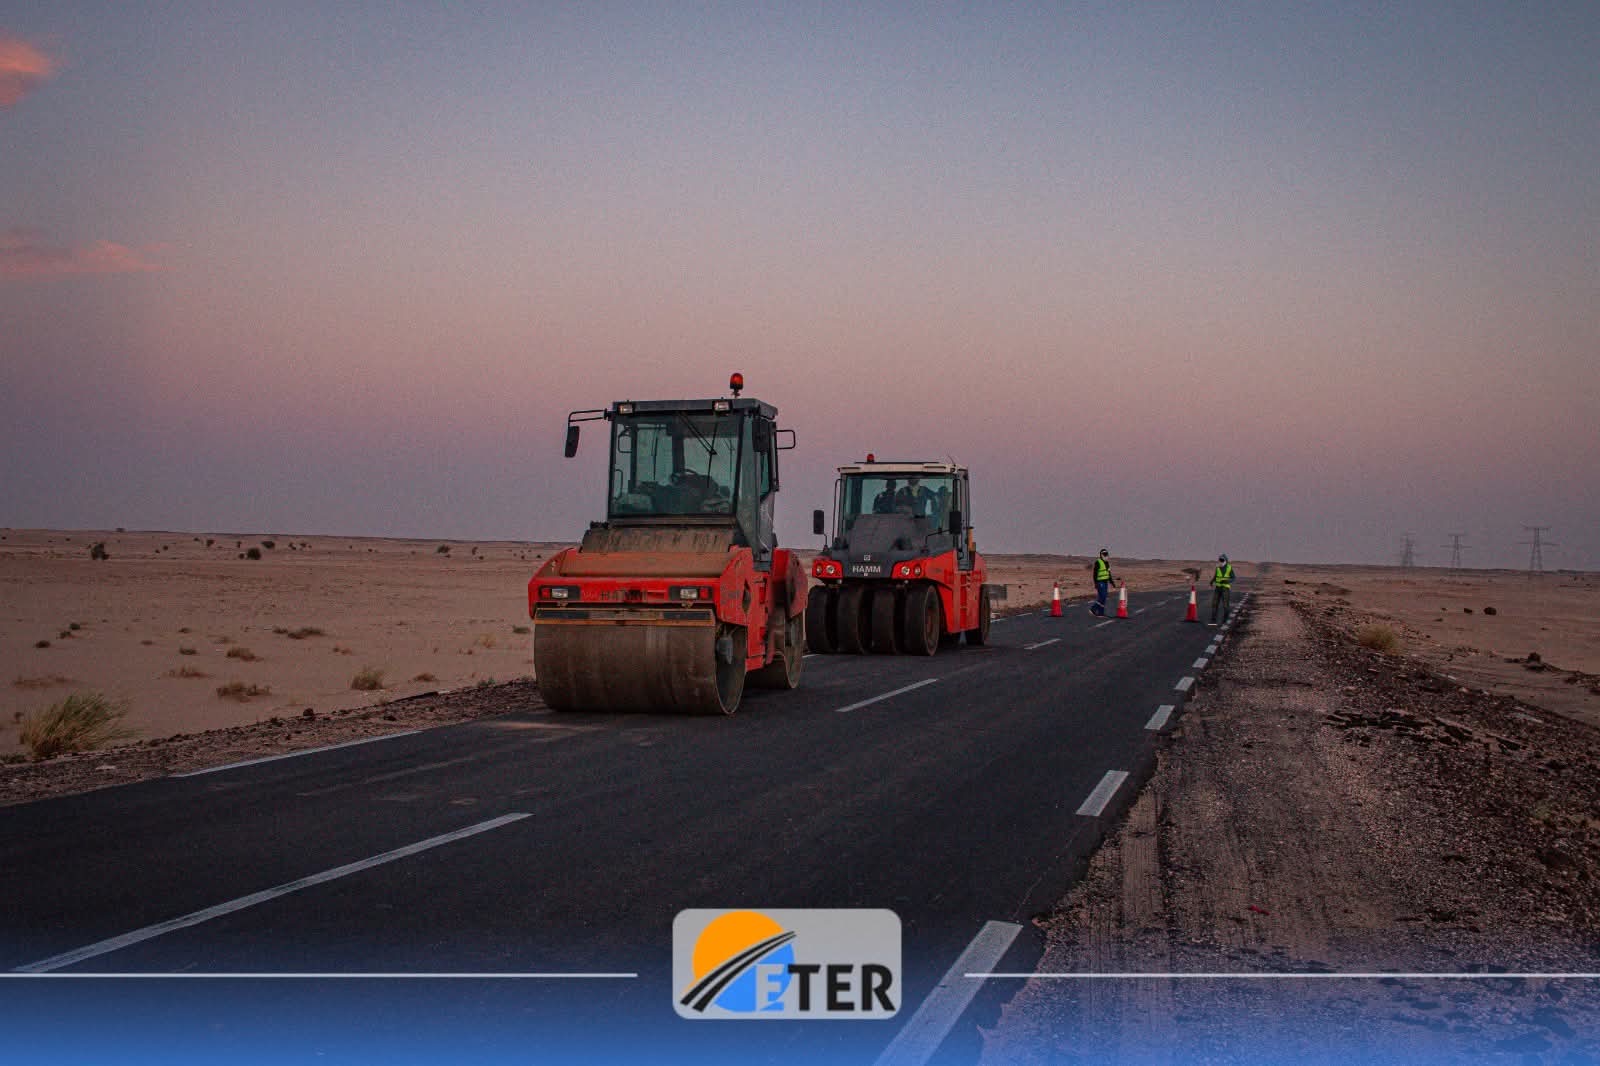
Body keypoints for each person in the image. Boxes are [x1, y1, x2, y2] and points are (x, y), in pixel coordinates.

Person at [1210, 554, 1234, 626]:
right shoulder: (1217, 568)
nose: (1220, 561)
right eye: (1219, 560)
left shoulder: (1229, 568)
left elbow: (1233, 577)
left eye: (1222, 560)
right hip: (1217, 588)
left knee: (1225, 605)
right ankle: (1213, 619)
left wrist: (1227, 581)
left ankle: (1225, 620)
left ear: (1225, 561)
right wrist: (1212, 581)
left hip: (1225, 589)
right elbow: (1215, 576)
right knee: (1214, 604)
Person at [1090, 549, 1114, 616]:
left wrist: (1111, 582)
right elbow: (1095, 574)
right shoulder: (1098, 562)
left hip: (1105, 582)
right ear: (1101, 555)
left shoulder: (1107, 563)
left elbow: (1108, 573)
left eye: (1107, 554)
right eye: (1104, 555)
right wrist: (1095, 583)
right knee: (1102, 596)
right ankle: (1093, 608)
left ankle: (1101, 613)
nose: (1106, 556)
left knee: (1104, 597)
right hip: (1100, 582)